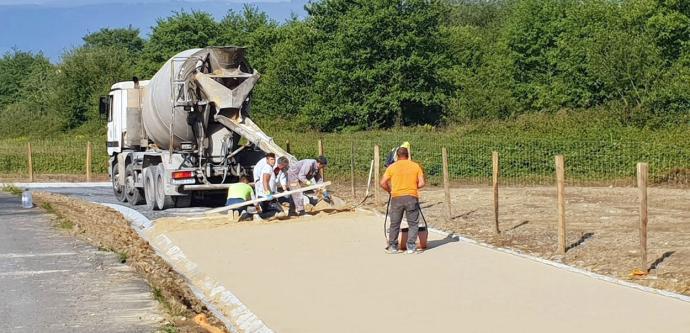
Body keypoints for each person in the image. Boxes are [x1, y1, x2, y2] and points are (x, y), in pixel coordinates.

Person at [379, 147, 425, 254]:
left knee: (395, 223)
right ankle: (411, 247)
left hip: (396, 197)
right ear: (408, 155)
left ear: (397, 156)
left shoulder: (391, 167)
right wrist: (412, 188)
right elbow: (422, 183)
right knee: (413, 223)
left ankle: (393, 247)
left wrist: (390, 190)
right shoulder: (415, 166)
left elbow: (382, 183)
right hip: (411, 197)